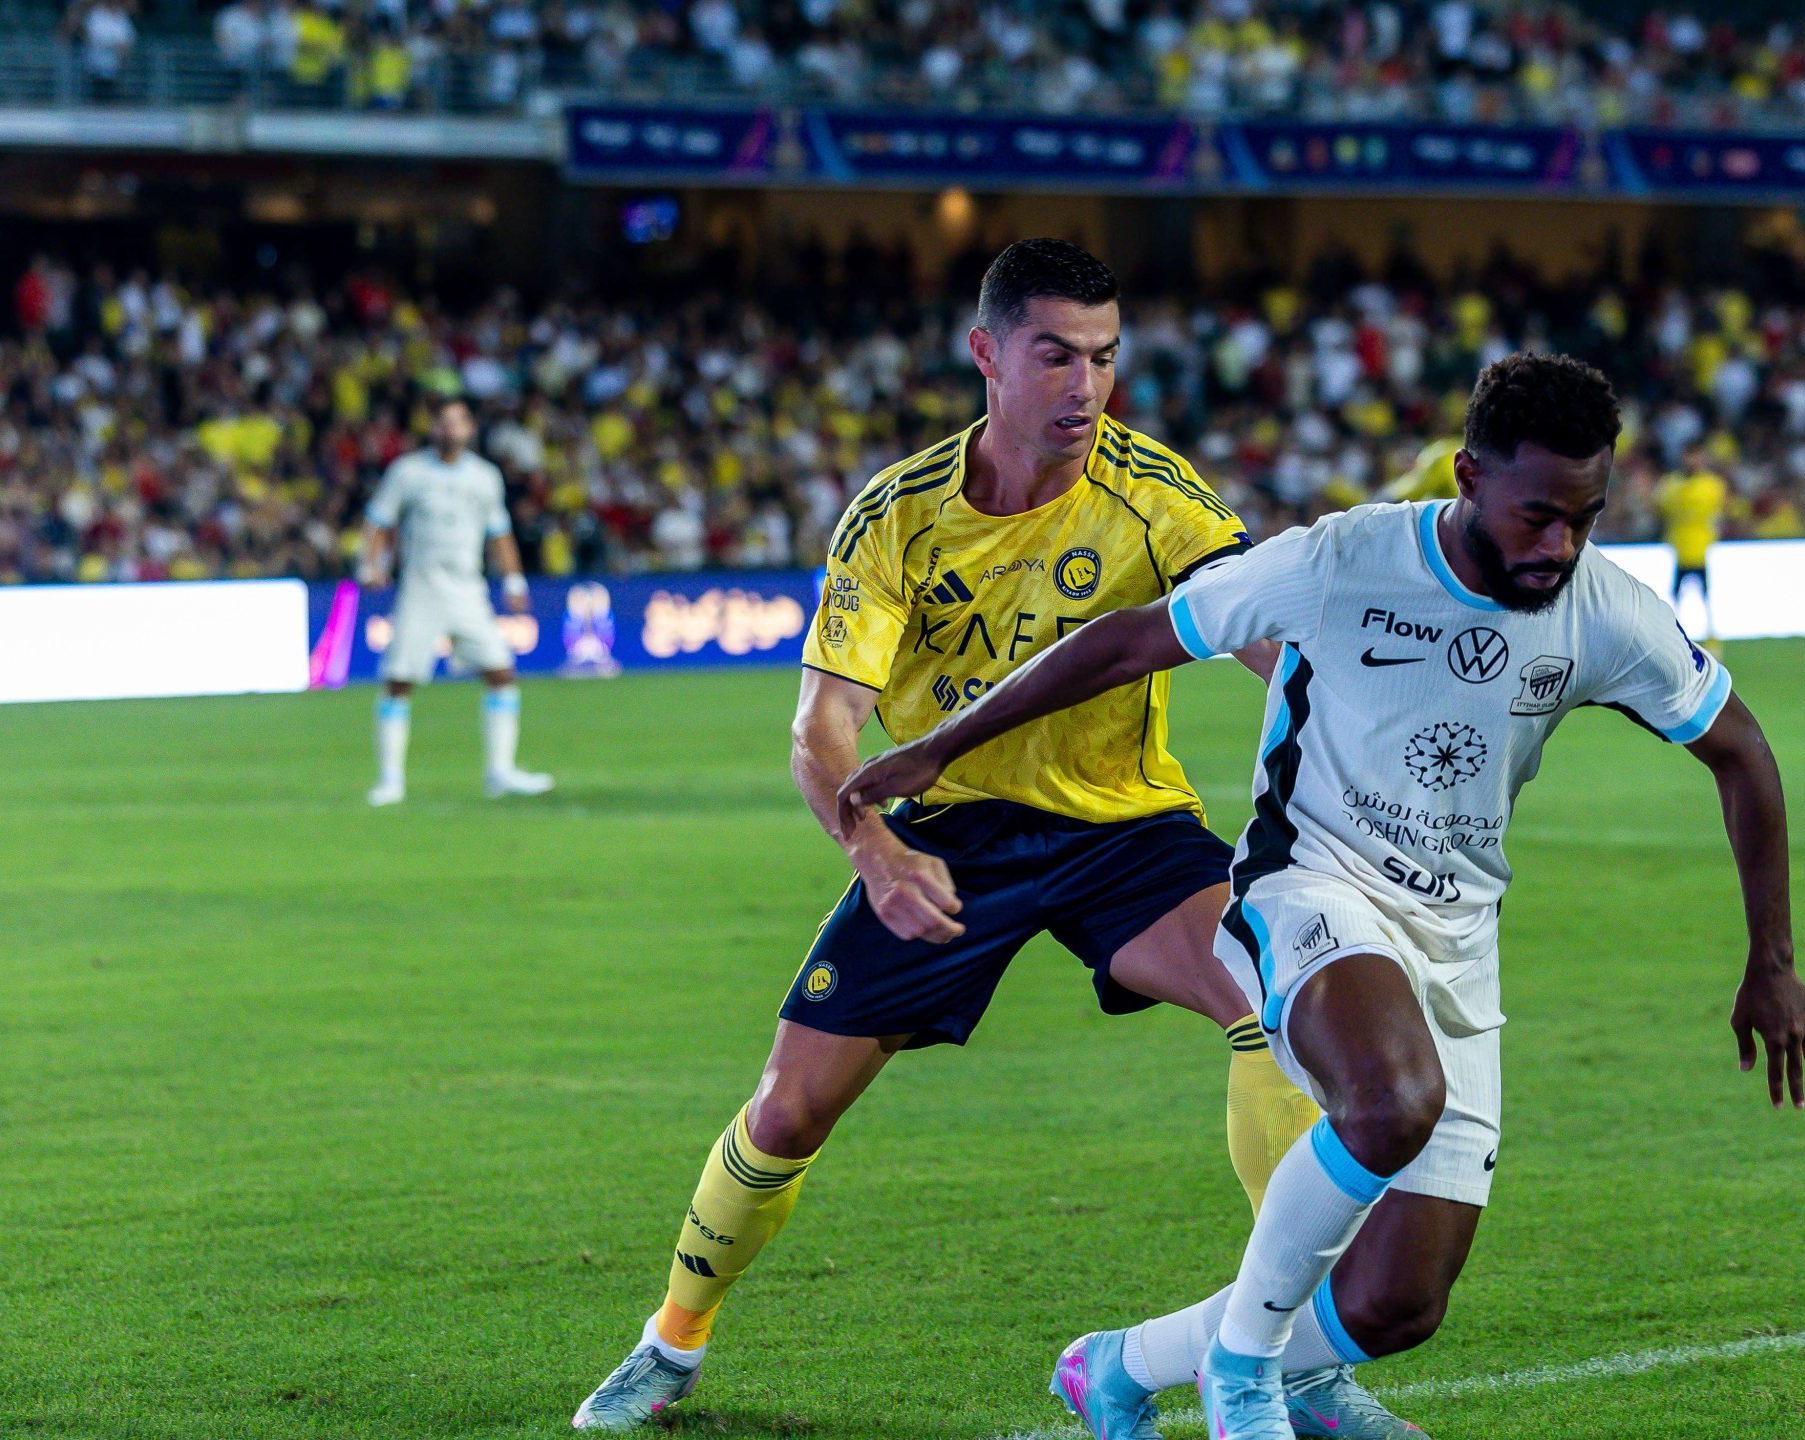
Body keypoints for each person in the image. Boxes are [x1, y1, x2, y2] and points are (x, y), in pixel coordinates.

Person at [838, 352, 1805, 1440]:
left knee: (1396, 1304)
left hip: (1456, 934)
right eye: (1536, 515)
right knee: (1391, 1103)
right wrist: (937, 749)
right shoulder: (1342, 559)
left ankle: (1121, 1366)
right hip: (1306, 880)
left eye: (1584, 518)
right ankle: (1244, 1378)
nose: (1557, 546)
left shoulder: (1604, 611)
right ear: (1466, 476)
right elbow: (1127, 640)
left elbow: (1742, 753)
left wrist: (1771, 961)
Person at [571, 240, 1334, 1431]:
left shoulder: (1156, 493)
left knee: (1271, 997)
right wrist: (874, 850)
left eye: (1104, 357)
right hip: (944, 834)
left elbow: (1265, 644)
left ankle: (1293, 1359)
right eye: (1055, 356)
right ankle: (670, 1344)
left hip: (1123, 828)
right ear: (986, 354)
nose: (1085, 386)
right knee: (786, 1110)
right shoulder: (898, 517)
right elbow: (822, 725)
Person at [357, 397, 552, 805]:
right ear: (433, 429)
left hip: (468, 588)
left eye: (457, 423)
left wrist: (514, 580)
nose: (450, 430)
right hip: (421, 587)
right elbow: (377, 521)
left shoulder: (485, 477)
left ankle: (500, 771)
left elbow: (500, 532)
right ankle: (390, 779)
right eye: (442, 423)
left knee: (501, 672)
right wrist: (370, 565)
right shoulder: (408, 472)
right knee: (398, 681)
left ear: (469, 430)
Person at [1655, 447, 1728, 644]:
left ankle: (1711, 637)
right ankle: (1676, 637)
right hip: (1680, 549)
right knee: (1677, 596)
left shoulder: (1709, 485)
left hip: (1701, 550)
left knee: (1705, 596)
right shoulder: (1672, 484)